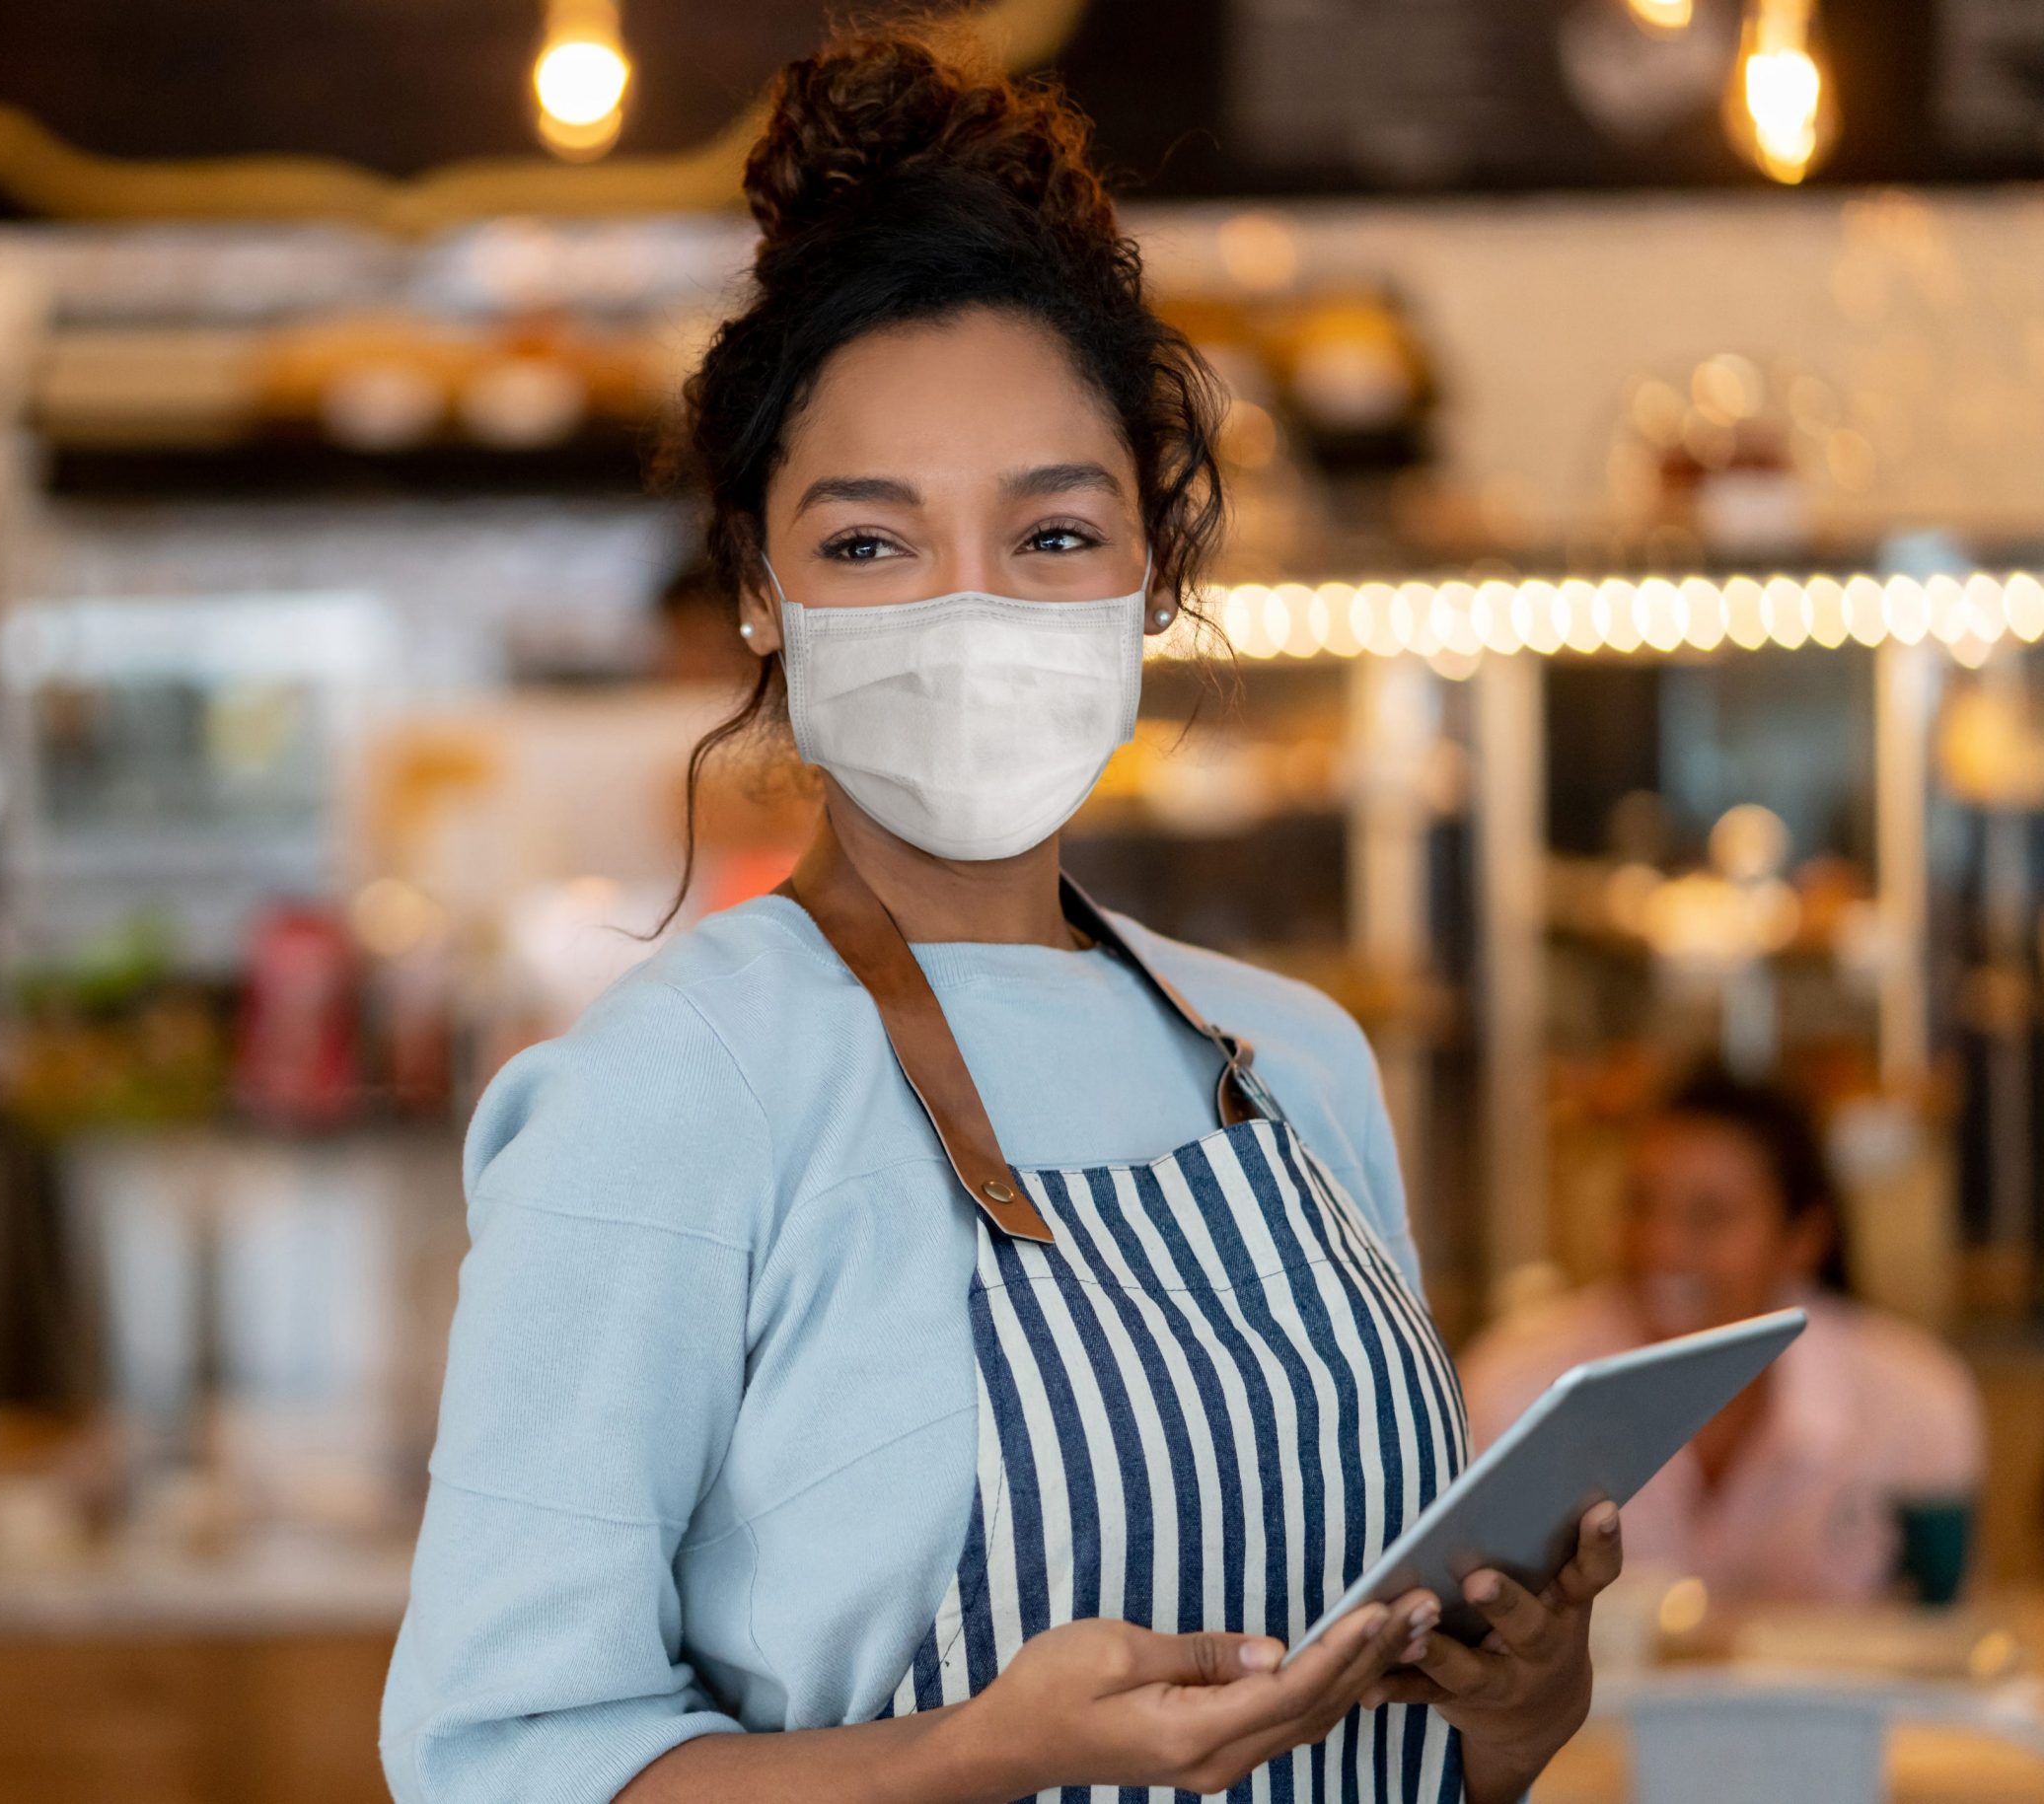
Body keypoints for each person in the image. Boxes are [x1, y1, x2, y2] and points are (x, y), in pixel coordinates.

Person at [381, 30, 1617, 1804]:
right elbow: (496, 1766)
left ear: (1154, 567)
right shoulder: (672, 1086)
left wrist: (1501, 1723)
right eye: (873, 544)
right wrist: (966, 1757)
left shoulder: (1303, 1068)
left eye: (1049, 534)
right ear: (759, 585)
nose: (967, 612)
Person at [1461, 1065, 1985, 1607]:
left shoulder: (1913, 1397)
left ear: (1803, 1238)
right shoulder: (1513, 1386)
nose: (1660, 1247)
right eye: (1641, 1206)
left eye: (1708, 1216)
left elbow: (1941, 1629)